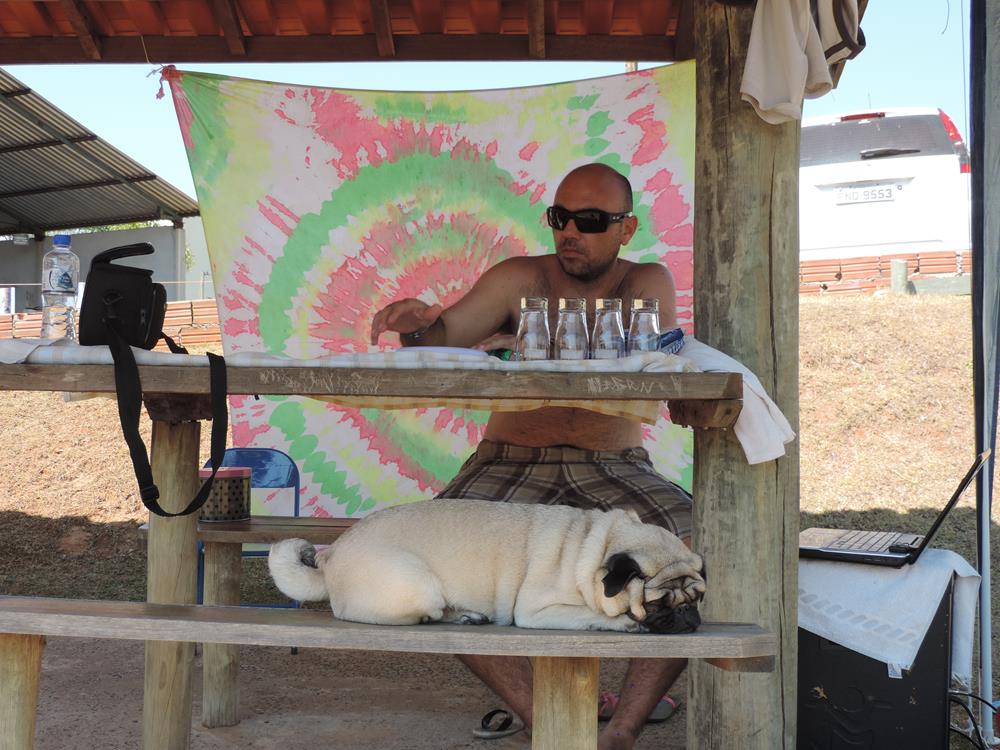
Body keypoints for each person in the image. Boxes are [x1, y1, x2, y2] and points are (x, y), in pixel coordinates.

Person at [370, 162, 692, 750]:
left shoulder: (646, 281)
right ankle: (545, 720)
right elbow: (444, 336)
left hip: (614, 462)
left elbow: (653, 357)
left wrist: (522, 347)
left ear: (626, 228)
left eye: (590, 220)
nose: (570, 231)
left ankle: (623, 729)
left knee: (694, 551)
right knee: (438, 553)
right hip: (511, 457)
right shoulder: (520, 276)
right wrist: (417, 328)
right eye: (560, 217)